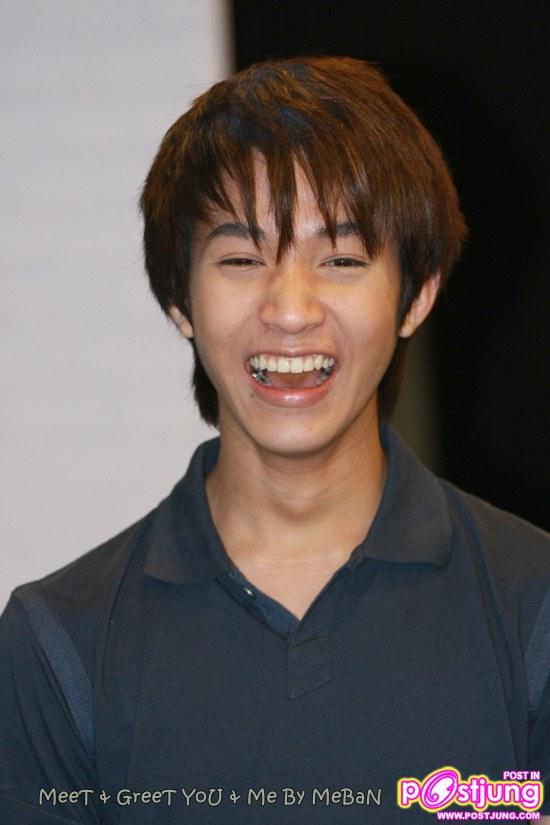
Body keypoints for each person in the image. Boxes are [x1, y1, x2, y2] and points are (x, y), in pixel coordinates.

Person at [1, 56, 548, 824]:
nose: (290, 309)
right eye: (242, 259)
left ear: (417, 294)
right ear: (180, 299)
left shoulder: (533, 608)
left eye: (342, 259)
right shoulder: (59, 645)